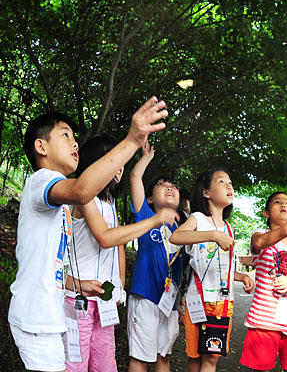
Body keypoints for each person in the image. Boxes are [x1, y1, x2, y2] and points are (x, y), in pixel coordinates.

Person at [9, 97, 168, 372]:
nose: (74, 144)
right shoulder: (42, 181)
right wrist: (132, 139)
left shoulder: (59, 206)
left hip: (51, 314)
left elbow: (48, 265)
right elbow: (85, 193)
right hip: (37, 318)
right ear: (41, 146)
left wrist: (78, 284)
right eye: (65, 135)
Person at [66, 136, 178, 372]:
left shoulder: (110, 203)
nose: (118, 168)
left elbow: (118, 246)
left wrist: (118, 284)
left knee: (105, 362)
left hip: (104, 299)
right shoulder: (82, 197)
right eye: (112, 160)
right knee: (76, 363)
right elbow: (106, 237)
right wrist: (155, 220)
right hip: (79, 295)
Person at [170, 167, 254, 372]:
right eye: (221, 182)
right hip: (197, 299)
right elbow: (176, 237)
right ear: (206, 192)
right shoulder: (197, 219)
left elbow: (222, 269)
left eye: (230, 183)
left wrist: (241, 276)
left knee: (211, 358)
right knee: (195, 357)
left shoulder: (228, 227)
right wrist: (213, 236)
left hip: (223, 303)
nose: (229, 186)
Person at [239, 191, 287, 372]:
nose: (283, 205)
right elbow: (260, 243)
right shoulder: (259, 235)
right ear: (266, 213)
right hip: (264, 319)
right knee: (260, 367)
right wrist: (286, 229)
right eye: (277, 202)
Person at [127, 141, 187, 372]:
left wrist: (178, 302)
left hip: (169, 302)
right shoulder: (145, 215)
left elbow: (180, 269)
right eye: (162, 185)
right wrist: (146, 158)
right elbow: (134, 178)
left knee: (163, 356)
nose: (169, 188)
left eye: (174, 186)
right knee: (141, 358)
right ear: (150, 198)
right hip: (145, 296)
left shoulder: (184, 228)